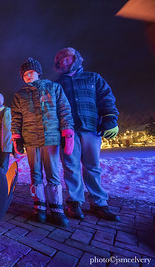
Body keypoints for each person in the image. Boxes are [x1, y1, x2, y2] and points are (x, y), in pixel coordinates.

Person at [54, 47, 121, 221]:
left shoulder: (93, 78)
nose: (64, 62)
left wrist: (110, 117)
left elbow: (106, 97)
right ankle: (74, 202)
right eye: (60, 61)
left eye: (67, 58)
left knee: (92, 165)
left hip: (91, 126)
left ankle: (99, 202)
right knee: (71, 166)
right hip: (67, 131)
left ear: (76, 58)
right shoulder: (56, 84)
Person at [11, 58, 74, 227]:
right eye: (24, 74)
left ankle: (56, 208)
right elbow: (16, 118)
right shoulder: (20, 95)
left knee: (52, 173)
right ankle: (39, 206)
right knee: (35, 173)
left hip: (51, 138)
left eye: (30, 72)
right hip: (31, 139)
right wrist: (16, 136)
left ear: (38, 72)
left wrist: (67, 131)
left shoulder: (53, 88)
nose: (28, 76)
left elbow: (64, 110)